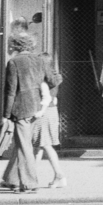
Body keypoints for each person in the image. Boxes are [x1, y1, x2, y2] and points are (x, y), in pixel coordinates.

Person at [1, 33, 47, 192]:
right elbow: (53, 80)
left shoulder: (13, 62)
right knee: (23, 143)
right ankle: (11, 179)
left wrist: (6, 115)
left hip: (21, 108)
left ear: (15, 46)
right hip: (36, 107)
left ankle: (29, 183)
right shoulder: (39, 60)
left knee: (25, 146)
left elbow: (11, 91)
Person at [33, 53, 66, 189]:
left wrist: (40, 111)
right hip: (52, 111)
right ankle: (31, 176)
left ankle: (59, 175)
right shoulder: (54, 78)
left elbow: (44, 97)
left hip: (43, 112)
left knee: (45, 145)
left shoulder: (42, 79)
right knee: (39, 145)